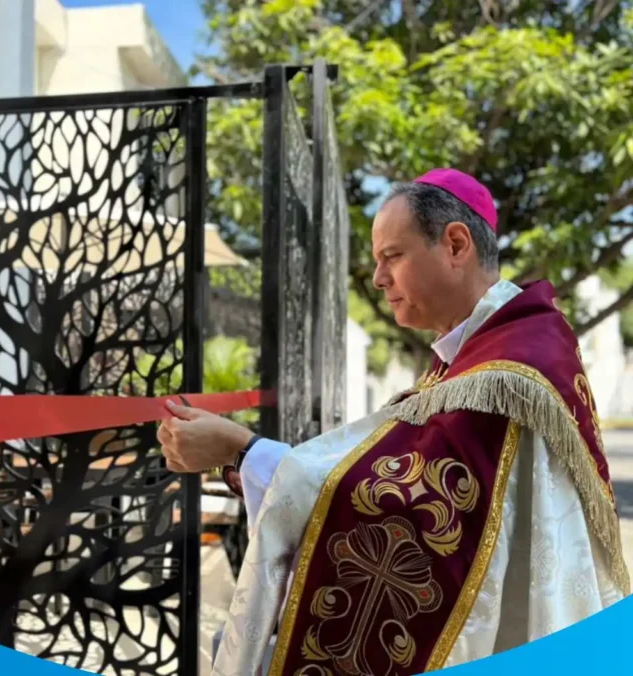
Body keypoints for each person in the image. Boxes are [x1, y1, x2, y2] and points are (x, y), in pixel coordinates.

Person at [158, 168, 628, 676]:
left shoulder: (508, 372)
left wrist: (242, 449)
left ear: (455, 244)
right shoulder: (477, 354)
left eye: (393, 256)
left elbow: (400, 515)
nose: (379, 278)